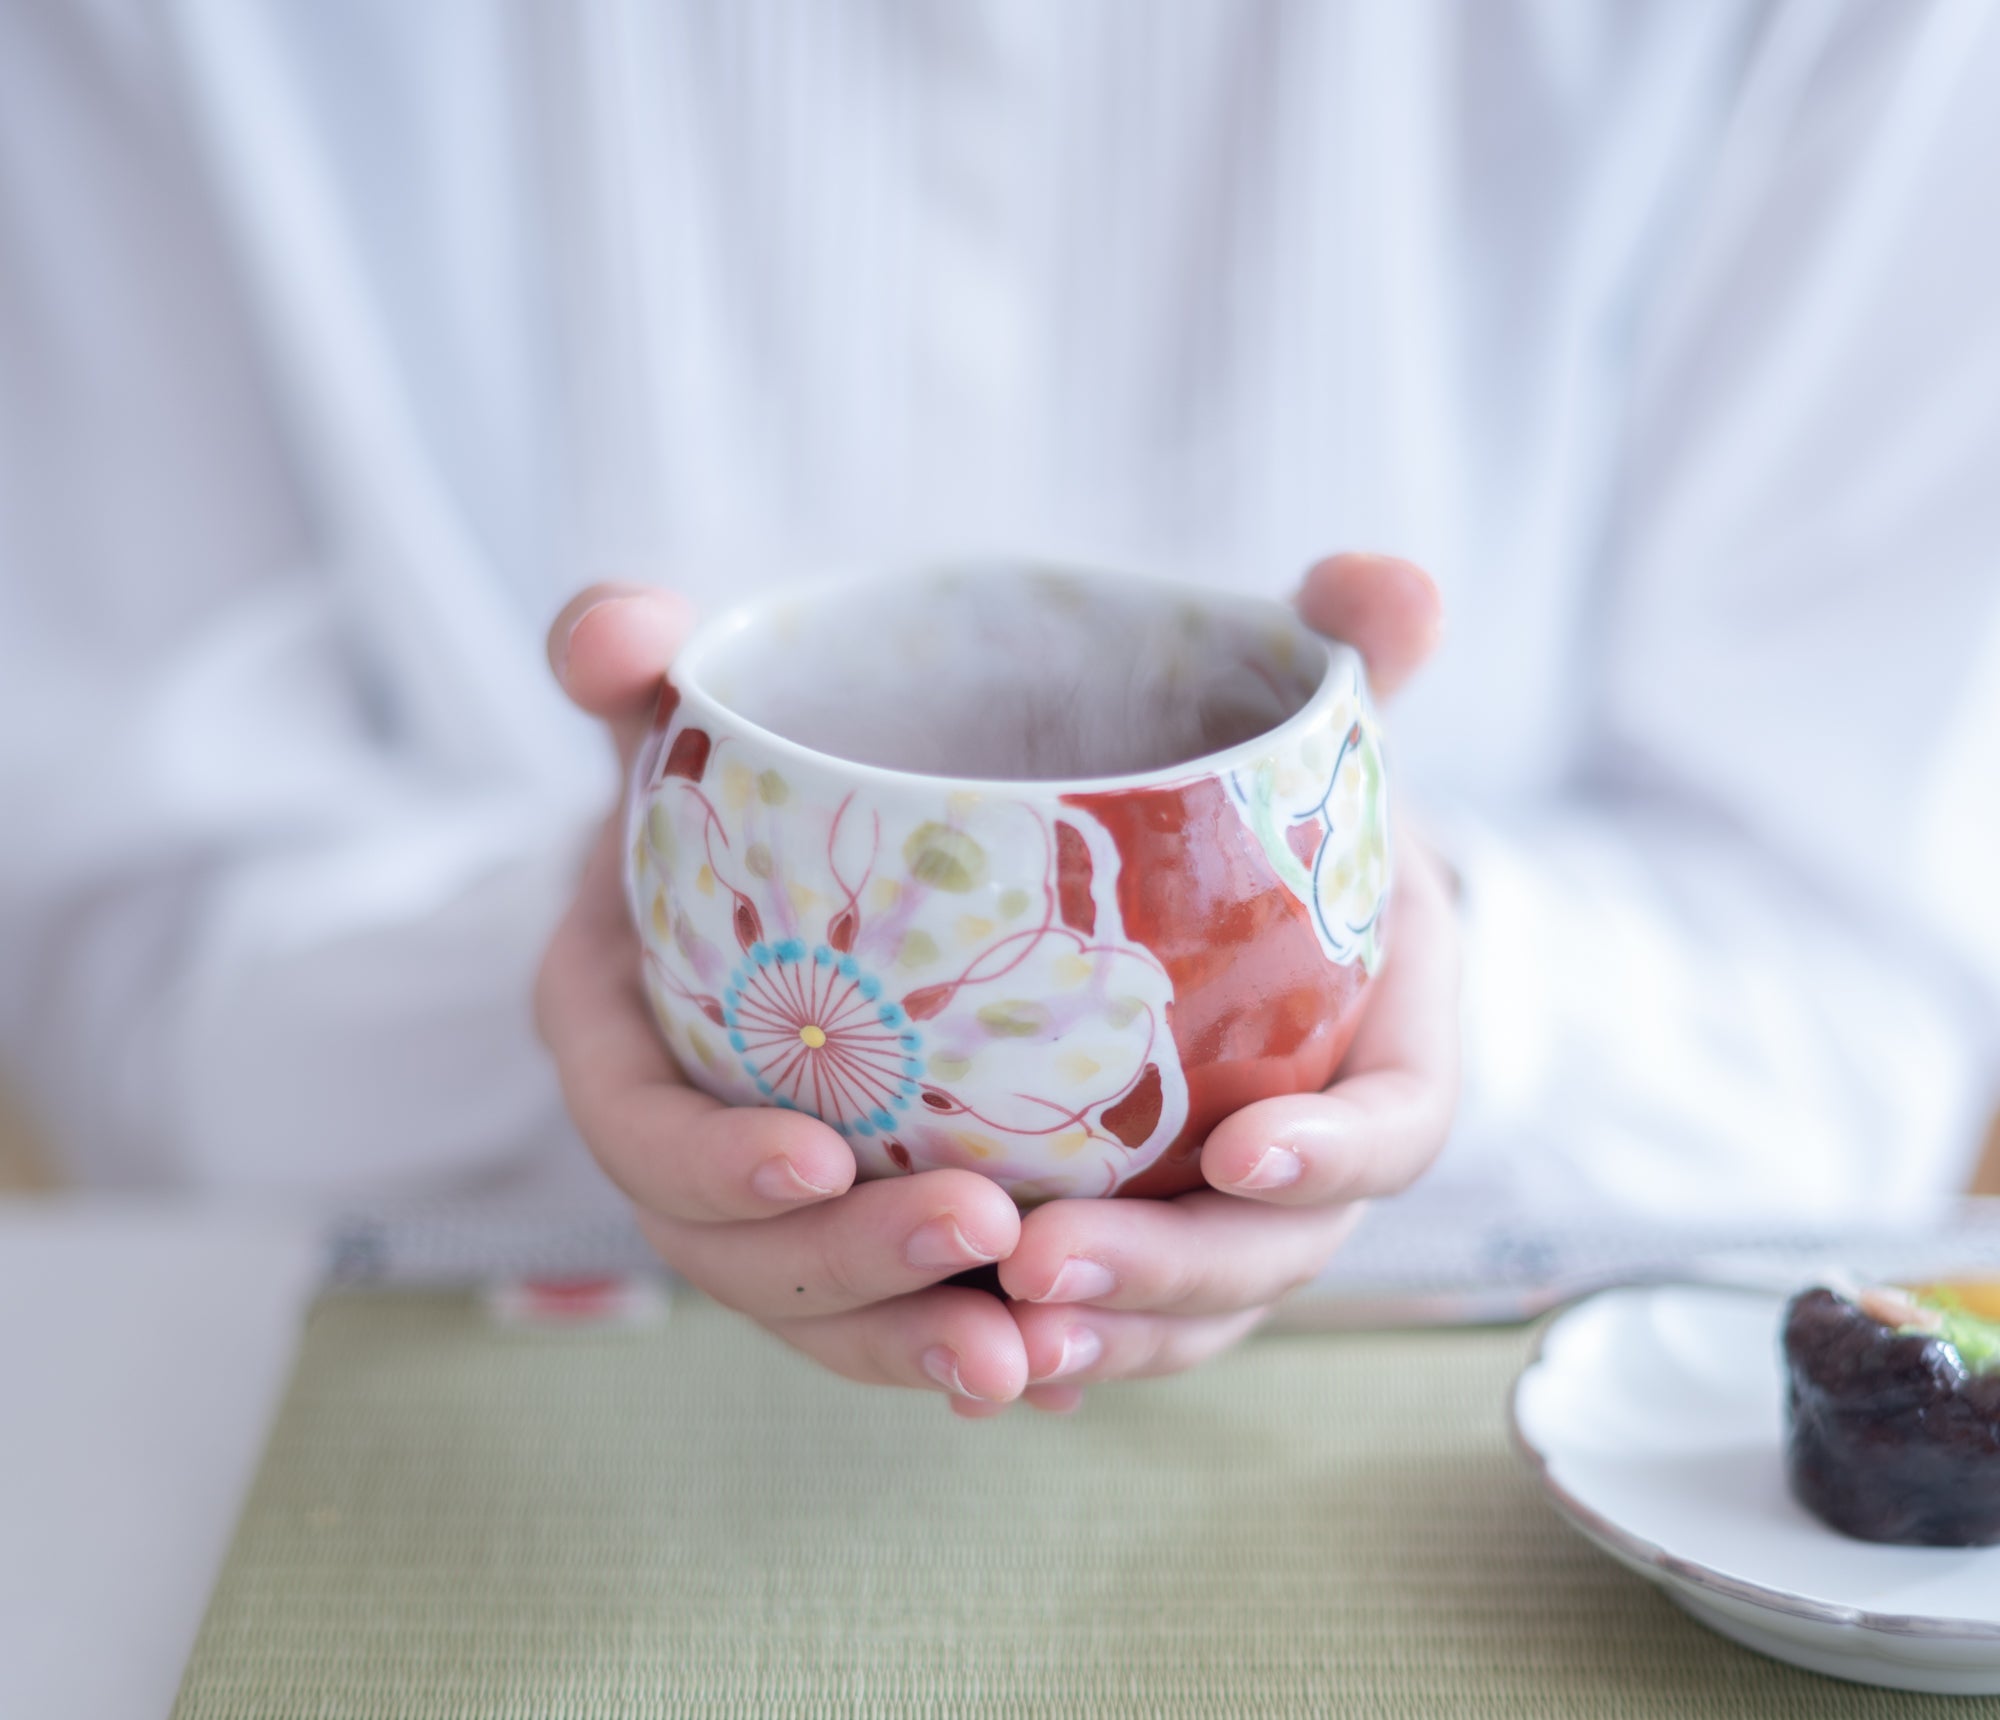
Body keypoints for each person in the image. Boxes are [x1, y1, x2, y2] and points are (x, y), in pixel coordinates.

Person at [3, 2, 1998, 1413]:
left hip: (1490, 1385)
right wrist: (583, 945)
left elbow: (1861, 1002)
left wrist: (1389, 954)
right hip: (457, 1390)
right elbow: (123, 945)